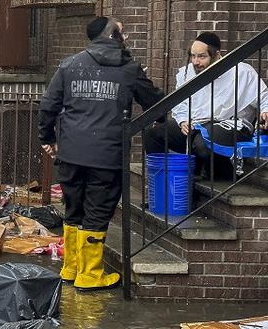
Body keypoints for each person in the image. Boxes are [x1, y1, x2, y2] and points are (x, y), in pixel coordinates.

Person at [38, 17, 164, 291]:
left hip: (71, 153)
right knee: (98, 211)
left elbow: (48, 106)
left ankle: (71, 268)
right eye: (122, 31)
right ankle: (91, 274)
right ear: (113, 34)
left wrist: (47, 139)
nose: (126, 37)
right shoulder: (129, 69)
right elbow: (156, 103)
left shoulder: (69, 65)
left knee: (74, 210)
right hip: (108, 154)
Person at [145, 32, 268, 178]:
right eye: (193, 55)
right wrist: (183, 120)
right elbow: (180, 102)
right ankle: (164, 181)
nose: (196, 62)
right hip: (196, 124)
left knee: (202, 143)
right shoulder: (188, 72)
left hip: (232, 125)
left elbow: (263, 97)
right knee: (154, 135)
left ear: (217, 55)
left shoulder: (242, 72)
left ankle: (219, 172)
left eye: (202, 56)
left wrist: (265, 111)